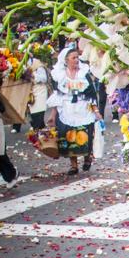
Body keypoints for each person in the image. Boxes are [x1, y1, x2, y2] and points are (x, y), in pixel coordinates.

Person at [46, 46, 103, 175]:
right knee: (69, 136)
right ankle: (73, 165)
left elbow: (92, 94)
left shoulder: (84, 73)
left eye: (78, 57)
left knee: (85, 135)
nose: (77, 60)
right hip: (67, 110)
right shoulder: (60, 76)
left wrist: (96, 111)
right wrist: (53, 115)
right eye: (74, 58)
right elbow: (58, 97)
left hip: (83, 109)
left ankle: (87, 158)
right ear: (66, 60)